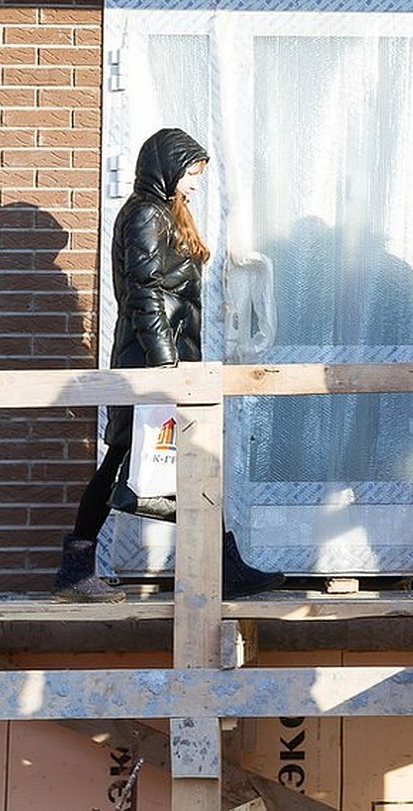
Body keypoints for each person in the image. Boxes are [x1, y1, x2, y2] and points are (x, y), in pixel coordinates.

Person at [53, 128, 284, 603]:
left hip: (167, 359)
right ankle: (76, 572)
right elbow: (143, 295)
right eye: (191, 174)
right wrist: (166, 365)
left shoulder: (165, 214)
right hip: (153, 362)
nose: (196, 184)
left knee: (184, 457)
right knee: (125, 457)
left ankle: (222, 565)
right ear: (168, 167)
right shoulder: (144, 215)